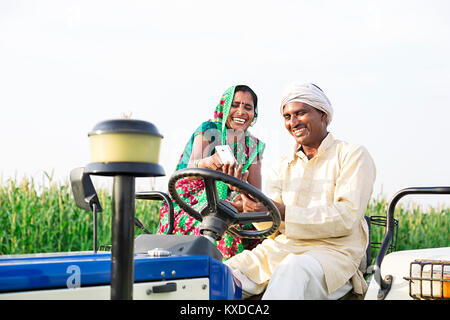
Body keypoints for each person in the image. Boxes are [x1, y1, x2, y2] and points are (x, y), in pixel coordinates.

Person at [224, 82, 376, 300]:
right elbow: (271, 228)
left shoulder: (352, 155)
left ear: (323, 115)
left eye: (300, 113)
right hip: (279, 250)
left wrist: (283, 211)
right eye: (287, 117)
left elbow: (346, 217)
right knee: (217, 274)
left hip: (332, 254)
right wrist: (250, 204)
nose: (293, 122)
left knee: (292, 269)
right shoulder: (283, 165)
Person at [158, 85, 266, 260]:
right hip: (191, 202)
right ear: (224, 106)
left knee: (263, 237)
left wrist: (242, 189)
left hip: (232, 206)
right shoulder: (210, 130)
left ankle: (244, 283)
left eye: (248, 107)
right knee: (223, 228)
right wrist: (208, 163)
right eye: (235, 105)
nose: (241, 112)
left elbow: (256, 195)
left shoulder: (253, 145)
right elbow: (192, 166)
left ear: (254, 113)